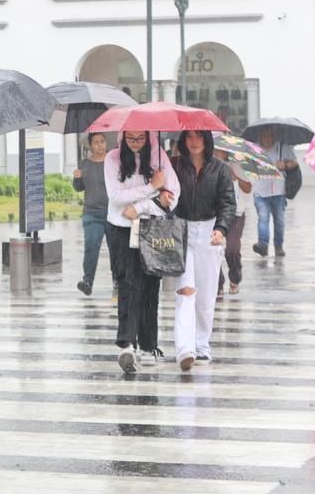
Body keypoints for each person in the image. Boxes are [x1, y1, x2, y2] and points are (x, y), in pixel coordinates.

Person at [104, 131, 180, 373]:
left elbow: (172, 195)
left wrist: (141, 206)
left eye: (140, 138)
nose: (135, 143)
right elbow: (115, 197)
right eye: (131, 138)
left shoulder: (159, 157)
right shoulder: (113, 158)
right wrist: (152, 187)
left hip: (152, 227)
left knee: (149, 285)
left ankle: (149, 345)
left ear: (149, 138)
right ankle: (127, 343)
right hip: (121, 228)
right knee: (127, 283)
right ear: (122, 137)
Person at [171, 131, 237, 371]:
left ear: (207, 140)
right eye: (189, 137)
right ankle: (185, 348)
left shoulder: (220, 168)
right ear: (183, 141)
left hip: (210, 231)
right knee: (186, 290)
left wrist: (221, 229)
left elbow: (228, 203)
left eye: (199, 136)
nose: (194, 141)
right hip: (182, 230)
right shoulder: (173, 165)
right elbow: (164, 195)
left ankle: (201, 345)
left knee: (206, 296)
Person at [73, 132, 110, 296]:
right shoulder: (84, 164)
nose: (99, 145)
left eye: (102, 141)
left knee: (116, 250)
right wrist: (77, 178)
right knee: (91, 247)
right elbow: (78, 187)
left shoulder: (113, 163)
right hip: (91, 214)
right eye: (95, 142)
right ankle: (87, 280)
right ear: (90, 145)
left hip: (113, 214)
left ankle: (118, 279)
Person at [249, 127, 296, 257]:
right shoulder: (254, 149)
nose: (267, 138)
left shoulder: (282, 148)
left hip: (279, 191)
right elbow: (247, 165)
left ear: (274, 136)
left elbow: (294, 162)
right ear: (260, 136)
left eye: (270, 135)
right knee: (263, 219)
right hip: (260, 191)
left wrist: (285, 165)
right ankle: (263, 245)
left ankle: (278, 246)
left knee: (279, 221)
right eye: (265, 135)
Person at [215, 151, 253, 298]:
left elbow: (248, 188)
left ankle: (235, 276)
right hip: (214, 213)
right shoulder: (209, 165)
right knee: (213, 250)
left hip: (236, 213)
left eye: (221, 151)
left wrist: (236, 177)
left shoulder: (236, 165)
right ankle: (218, 283)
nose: (218, 153)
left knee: (232, 248)